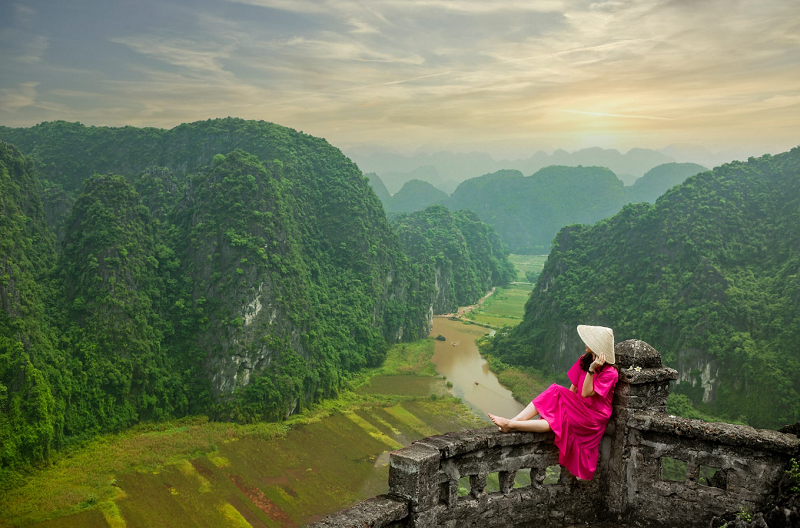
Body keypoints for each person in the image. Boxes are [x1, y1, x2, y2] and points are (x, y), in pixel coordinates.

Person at [488, 325, 618, 480]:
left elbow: (585, 393)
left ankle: (510, 425)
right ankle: (514, 421)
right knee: (555, 397)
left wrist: (592, 369)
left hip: (593, 417)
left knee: (558, 411)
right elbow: (574, 388)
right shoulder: (584, 360)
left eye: (589, 341)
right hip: (580, 407)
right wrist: (565, 408)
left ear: (598, 347)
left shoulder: (610, 372)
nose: (585, 342)